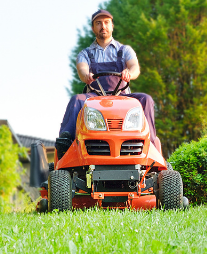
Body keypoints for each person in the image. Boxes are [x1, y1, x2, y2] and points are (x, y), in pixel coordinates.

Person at [57, 9, 161, 154]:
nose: (103, 26)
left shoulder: (125, 50)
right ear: (93, 28)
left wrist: (129, 73)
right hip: (95, 98)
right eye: (98, 23)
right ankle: (66, 141)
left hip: (123, 97)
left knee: (146, 99)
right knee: (77, 100)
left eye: (106, 22)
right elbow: (82, 69)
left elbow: (135, 67)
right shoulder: (85, 54)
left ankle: (150, 143)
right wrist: (86, 75)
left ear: (112, 26)